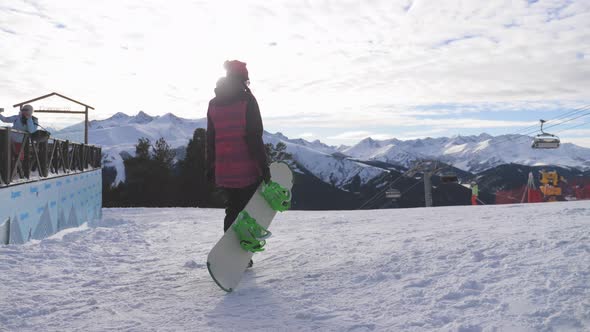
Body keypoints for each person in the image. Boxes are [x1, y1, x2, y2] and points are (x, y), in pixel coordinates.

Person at [207, 60, 270, 266]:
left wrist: (211, 166)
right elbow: (254, 136)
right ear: (243, 78)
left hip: (224, 168)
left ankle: (232, 252)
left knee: (232, 209)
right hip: (246, 167)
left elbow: (211, 138)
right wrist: (263, 166)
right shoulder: (247, 100)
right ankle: (244, 252)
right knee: (249, 210)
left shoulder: (213, 103)